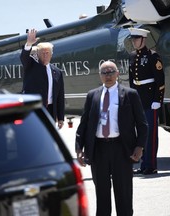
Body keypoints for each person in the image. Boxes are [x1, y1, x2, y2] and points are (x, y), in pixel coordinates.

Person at [75, 61, 148, 216]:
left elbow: (142, 124)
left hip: (122, 149)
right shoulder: (92, 95)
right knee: (102, 195)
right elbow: (84, 124)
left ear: (117, 74)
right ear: (100, 76)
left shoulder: (130, 94)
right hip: (98, 149)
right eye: (104, 72)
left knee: (124, 194)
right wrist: (79, 148)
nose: (108, 75)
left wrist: (139, 146)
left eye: (111, 72)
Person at [128, 27, 165, 175]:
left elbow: (160, 80)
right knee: (140, 134)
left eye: (136, 39)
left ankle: (151, 165)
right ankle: (143, 164)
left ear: (143, 40)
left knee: (150, 134)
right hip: (138, 99)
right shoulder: (132, 56)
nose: (134, 42)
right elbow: (132, 80)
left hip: (150, 100)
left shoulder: (153, 56)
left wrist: (158, 100)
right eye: (133, 39)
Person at [20, 29, 65, 129]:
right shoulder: (30, 66)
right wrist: (28, 44)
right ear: (37, 54)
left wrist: (61, 117)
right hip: (34, 110)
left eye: (47, 53)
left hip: (50, 111)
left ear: (51, 54)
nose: (45, 55)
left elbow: (60, 96)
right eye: (42, 53)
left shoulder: (57, 72)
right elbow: (24, 57)